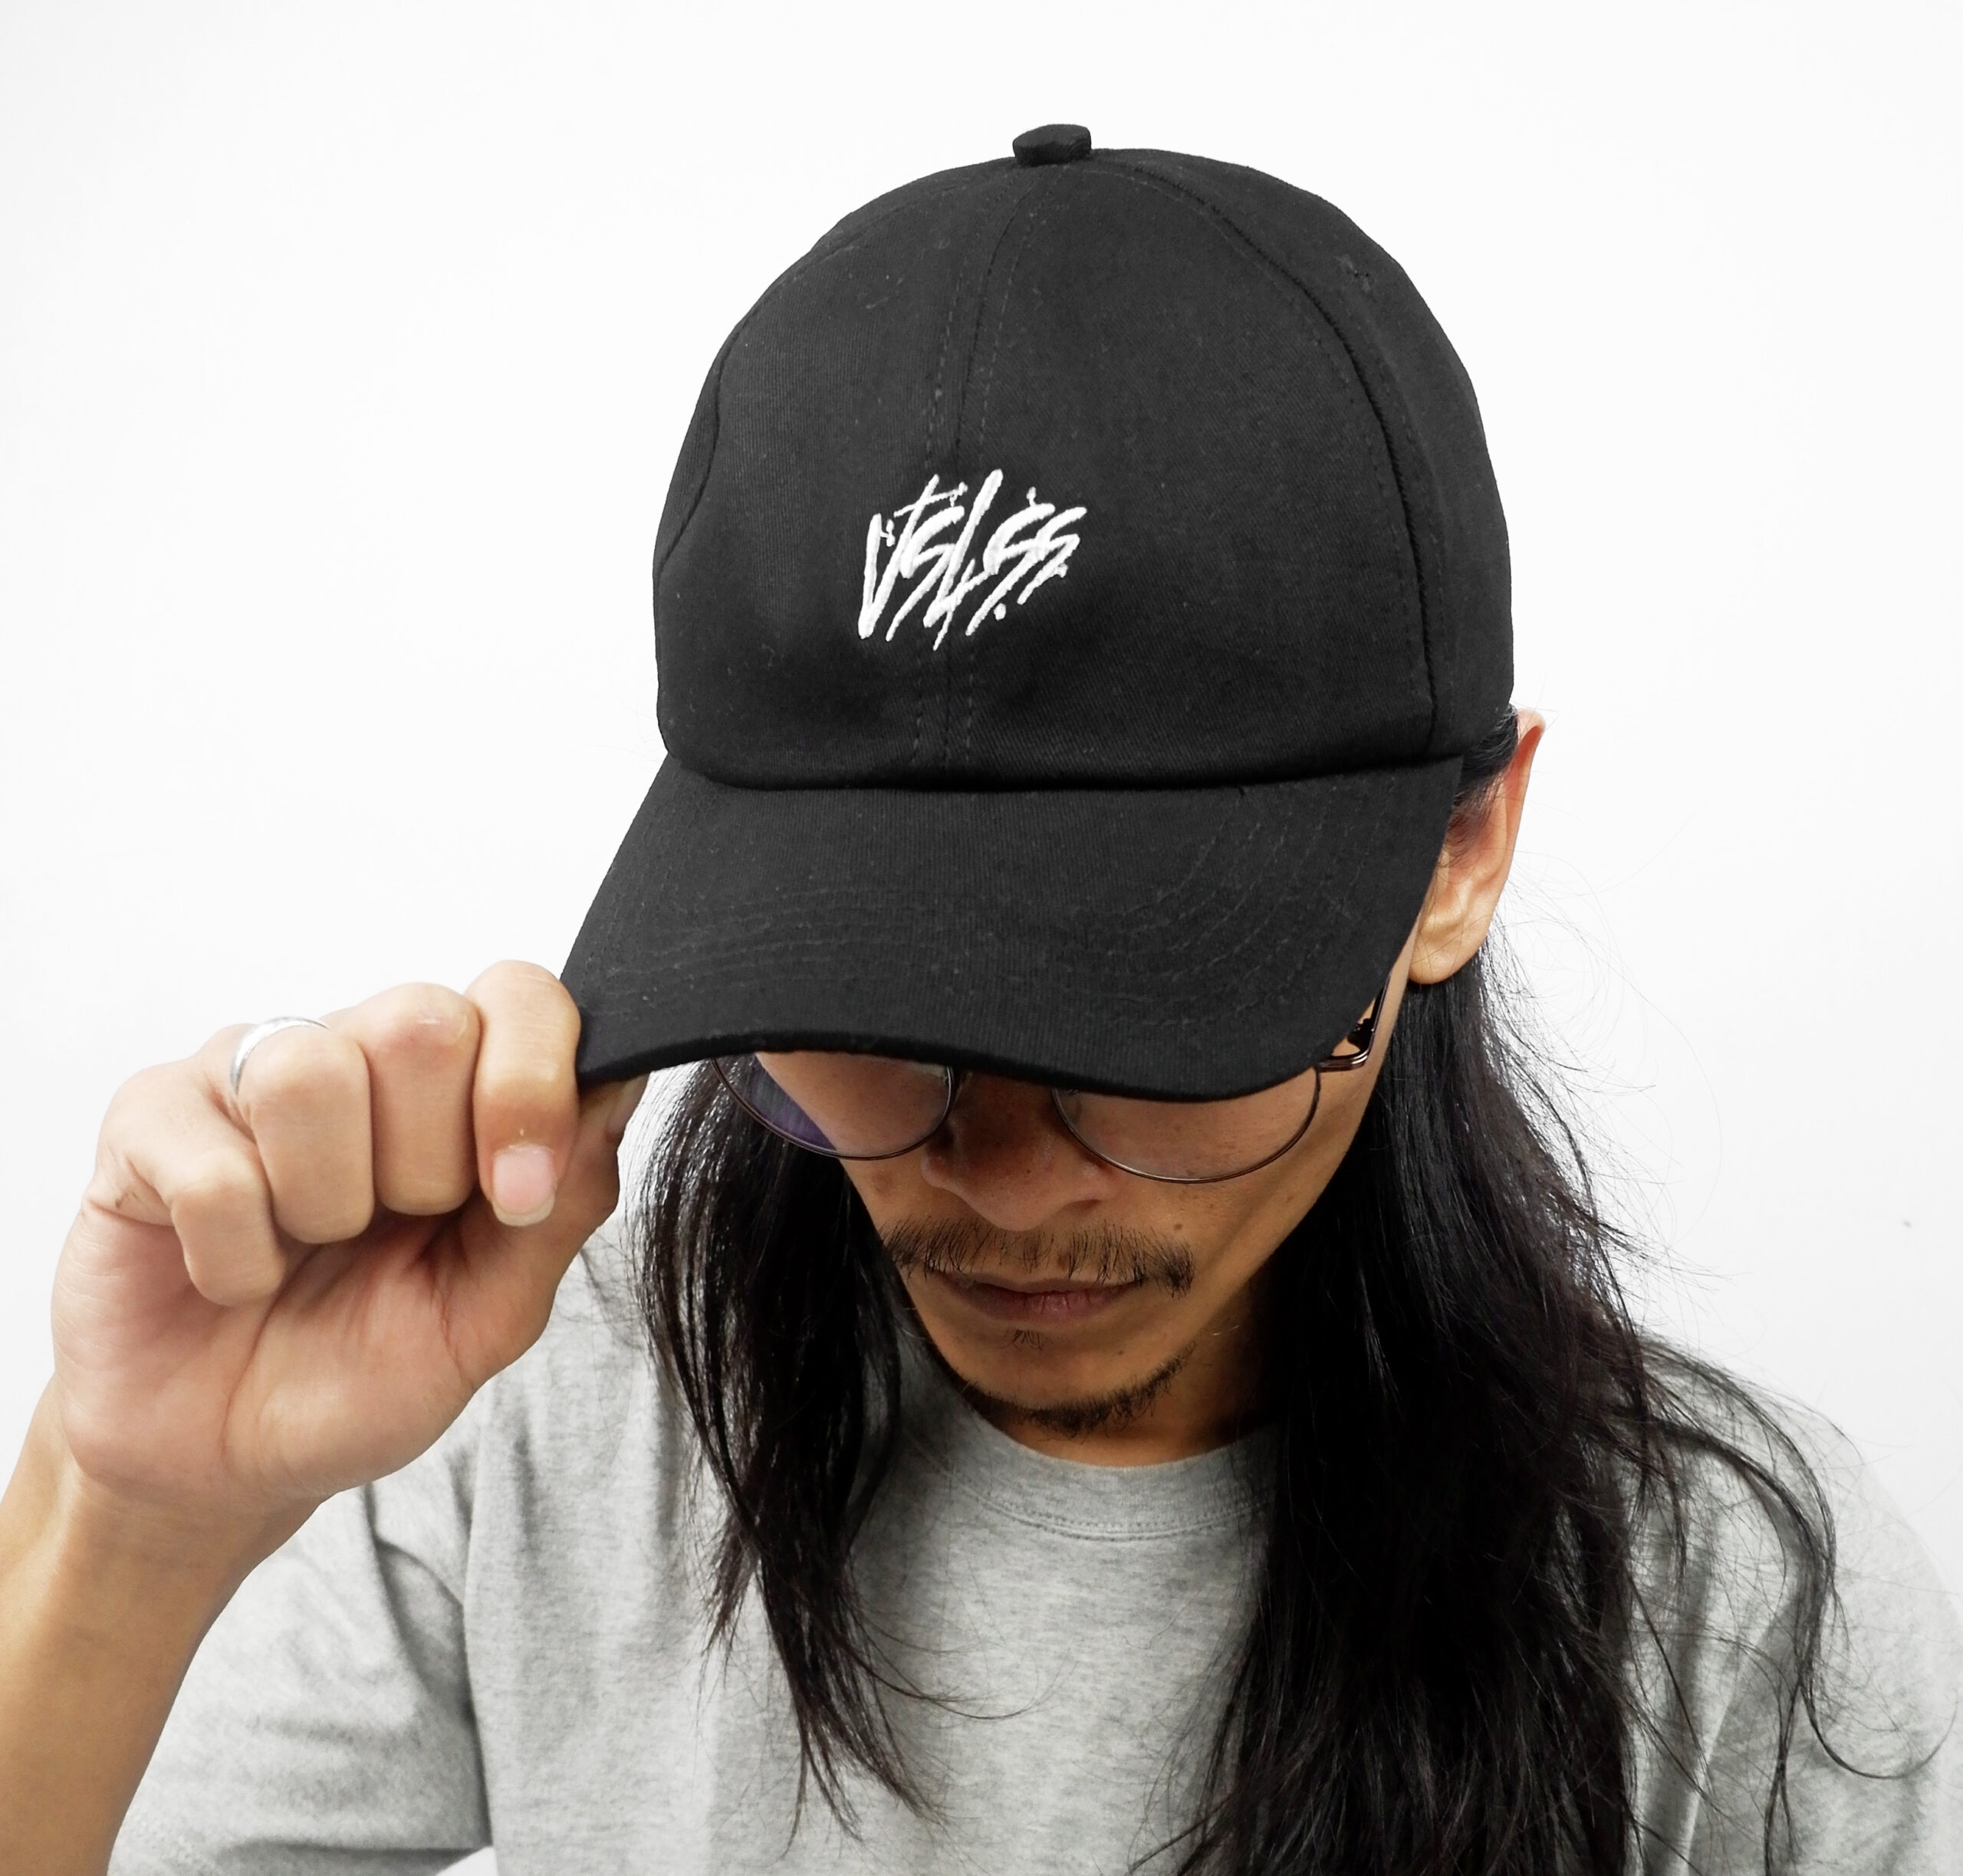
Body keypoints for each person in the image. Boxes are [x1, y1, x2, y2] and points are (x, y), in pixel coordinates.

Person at [2, 125, 1955, 1876]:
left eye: (1141, 1021)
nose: (1001, 1179)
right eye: (873, 1015)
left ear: (1459, 853)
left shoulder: (1738, 1605)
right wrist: (133, 1515)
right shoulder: (518, 1412)